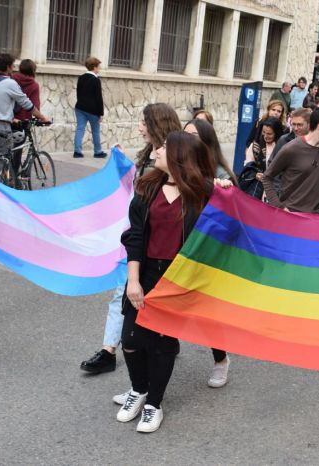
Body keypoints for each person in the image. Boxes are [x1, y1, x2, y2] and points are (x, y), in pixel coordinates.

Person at [116, 131, 232, 433]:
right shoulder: (146, 187)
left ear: (180, 156)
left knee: (163, 342)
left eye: (164, 147)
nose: (157, 150)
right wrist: (133, 281)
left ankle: (154, 403)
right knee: (130, 339)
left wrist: (226, 190)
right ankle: (138, 390)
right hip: (145, 273)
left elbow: (232, 226)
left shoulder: (205, 192)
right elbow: (135, 238)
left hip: (179, 279)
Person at [80, 103, 182, 375]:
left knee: (157, 299)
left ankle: (178, 345)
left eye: (143, 122)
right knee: (123, 291)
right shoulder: (147, 155)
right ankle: (109, 350)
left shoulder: (175, 156)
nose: (139, 127)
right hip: (137, 237)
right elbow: (137, 196)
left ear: (156, 125)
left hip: (161, 245)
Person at [262, 107, 319, 215]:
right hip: (290, 217)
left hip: (317, 220)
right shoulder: (291, 148)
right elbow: (267, 177)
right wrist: (279, 207)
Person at [0, 53, 48, 160]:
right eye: (13, 65)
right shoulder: (9, 83)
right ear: (8, 66)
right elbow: (27, 104)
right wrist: (42, 117)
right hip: (0, 127)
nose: (14, 68)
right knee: (2, 162)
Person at [184, 119, 237, 185]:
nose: (186, 139)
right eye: (184, 134)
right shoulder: (180, 166)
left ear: (206, 142)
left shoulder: (221, 175)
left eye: (194, 135)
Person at [11, 59, 41, 172]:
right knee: (17, 151)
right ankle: (14, 178)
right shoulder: (33, 85)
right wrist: (40, 118)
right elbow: (35, 105)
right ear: (33, 70)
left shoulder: (11, 79)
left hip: (9, 118)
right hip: (23, 121)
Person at [74, 56, 105, 158]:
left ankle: (77, 151)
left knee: (80, 129)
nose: (99, 69)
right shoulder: (96, 80)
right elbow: (98, 98)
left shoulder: (81, 78)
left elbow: (78, 93)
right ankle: (98, 151)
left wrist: (80, 103)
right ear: (94, 67)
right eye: (99, 67)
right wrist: (101, 113)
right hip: (93, 110)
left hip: (80, 108)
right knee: (95, 131)